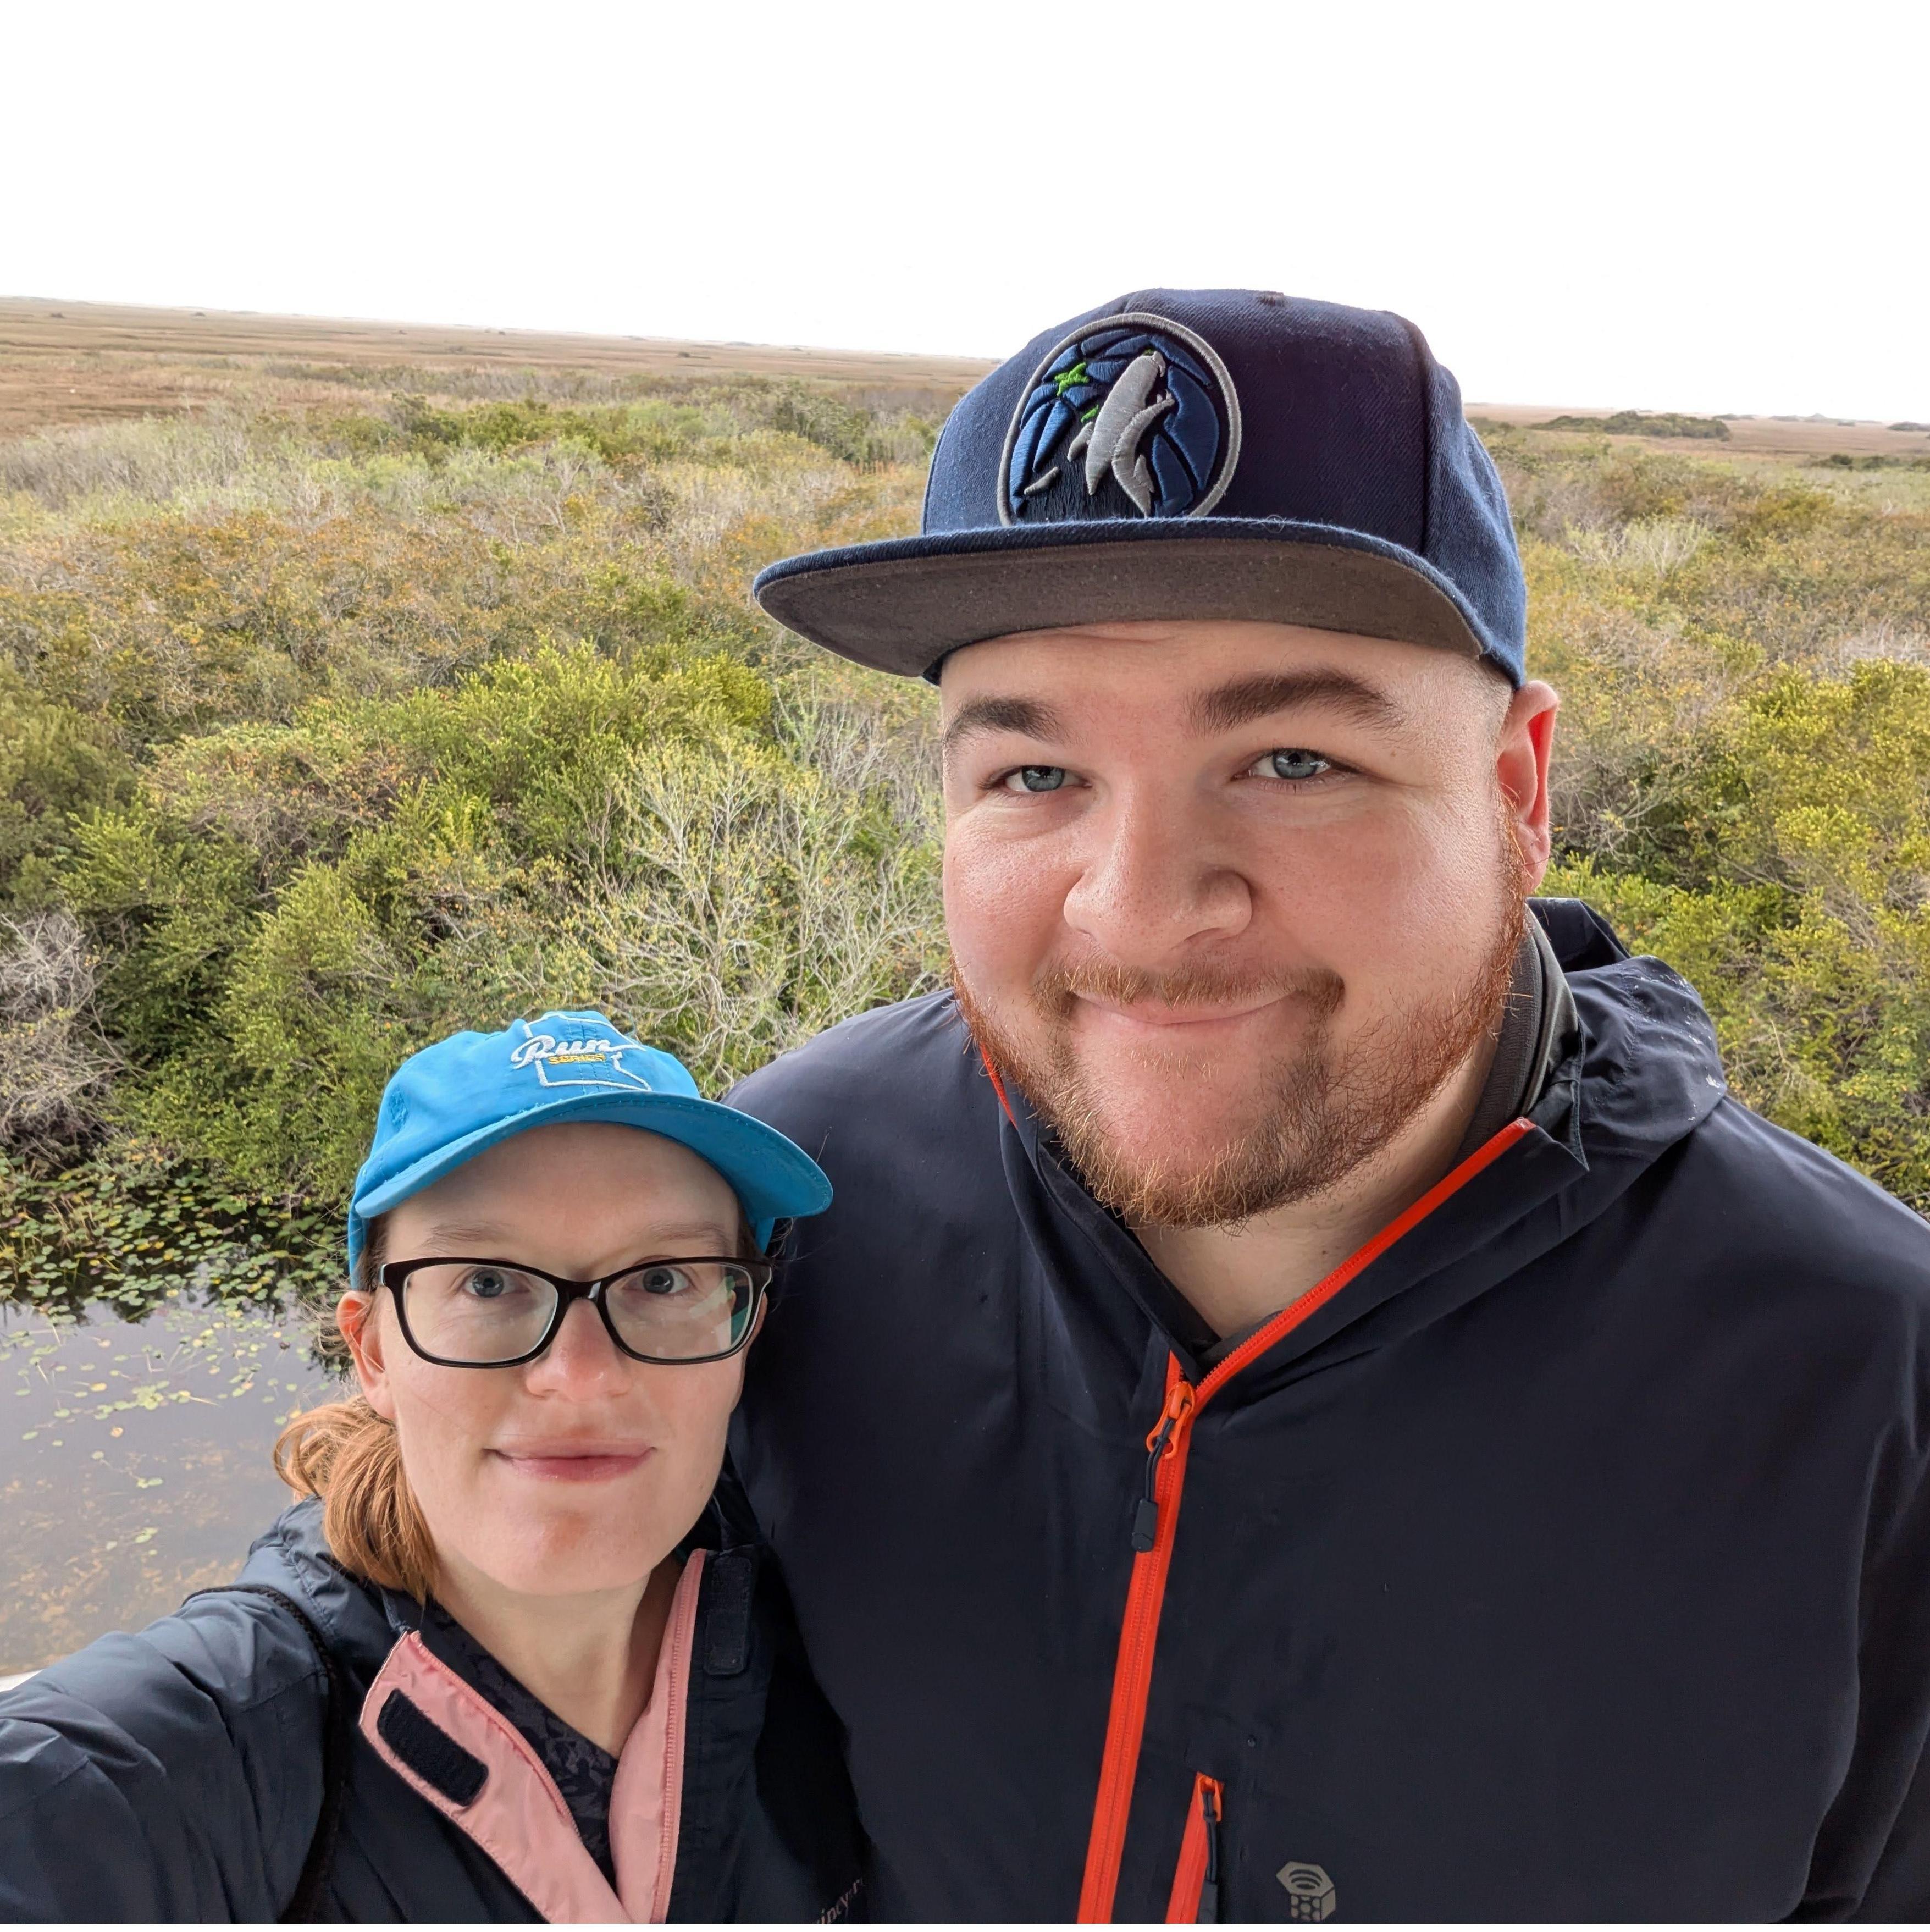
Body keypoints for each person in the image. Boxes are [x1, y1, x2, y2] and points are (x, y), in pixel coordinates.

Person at [729, 291, 1930, 1920]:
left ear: (1518, 790)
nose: (1142, 913)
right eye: (1033, 775)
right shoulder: (785, 1201)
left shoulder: (1869, 1386)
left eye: (1292, 759)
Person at [0, 1009, 864, 1923]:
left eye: (662, 1279)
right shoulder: (226, 1752)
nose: (577, 1379)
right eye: (487, 1281)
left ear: (744, 1331)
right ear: (373, 1350)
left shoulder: (843, 1648)